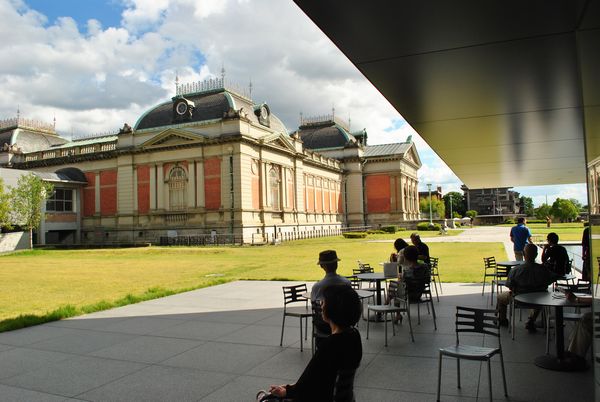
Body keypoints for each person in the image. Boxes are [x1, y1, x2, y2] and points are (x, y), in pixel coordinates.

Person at [264, 285, 362, 402]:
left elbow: (306, 387)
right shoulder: (354, 335)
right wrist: (290, 388)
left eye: (324, 302)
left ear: (332, 309)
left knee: (266, 399)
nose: (321, 304)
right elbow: (315, 378)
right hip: (345, 398)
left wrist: (285, 391)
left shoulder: (330, 345)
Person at [496, 244, 556, 331]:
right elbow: (550, 281)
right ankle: (531, 320)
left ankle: (502, 320)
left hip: (518, 299)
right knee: (540, 297)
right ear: (536, 255)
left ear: (524, 254)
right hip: (538, 300)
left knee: (500, 297)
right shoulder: (543, 270)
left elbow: (510, 286)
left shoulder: (515, 270)